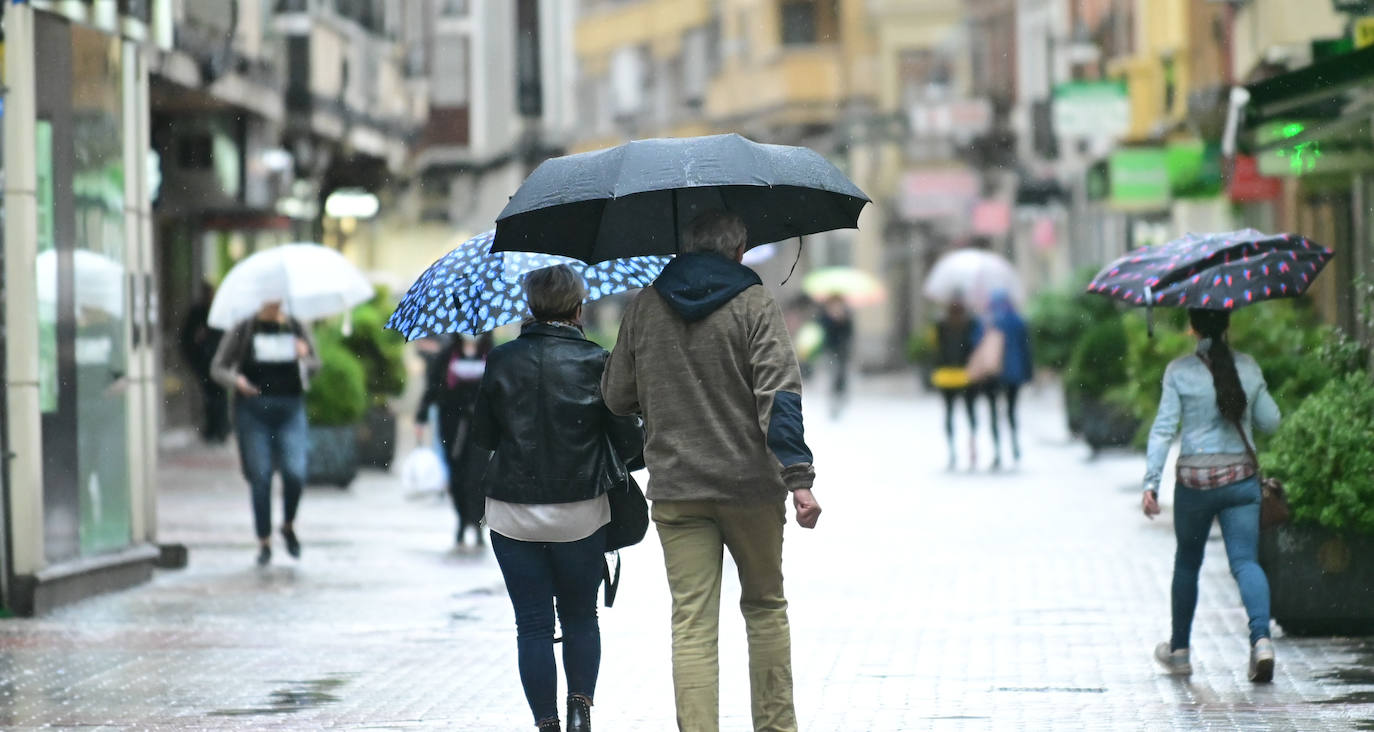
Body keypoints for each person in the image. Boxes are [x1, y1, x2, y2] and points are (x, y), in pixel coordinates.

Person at [602, 210, 820, 732]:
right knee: (765, 607)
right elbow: (779, 394)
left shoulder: (645, 306)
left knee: (692, 623)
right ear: (739, 249)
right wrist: (799, 477)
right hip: (750, 488)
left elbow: (614, 396)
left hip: (678, 491)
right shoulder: (754, 303)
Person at [473, 265, 643, 732]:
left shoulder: (501, 360)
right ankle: (580, 709)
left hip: (511, 515)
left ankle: (545, 722)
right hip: (581, 513)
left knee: (532, 625)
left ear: (531, 308)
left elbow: (484, 436)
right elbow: (628, 438)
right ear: (577, 307)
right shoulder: (596, 361)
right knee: (580, 616)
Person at [1142, 309, 1281, 683]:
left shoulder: (1179, 372)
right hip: (1240, 481)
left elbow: (1163, 429)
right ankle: (1261, 641)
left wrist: (1151, 483)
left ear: (1193, 326)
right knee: (1245, 563)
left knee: (1188, 563)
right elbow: (1272, 422)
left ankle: (1180, 651)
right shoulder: (1248, 367)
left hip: (1195, 485)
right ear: (1229, 323)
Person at [211, 300, 320, 566]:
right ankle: (264, 541)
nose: (275, 303)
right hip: (253, 410)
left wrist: (304, 355)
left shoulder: (296, 326)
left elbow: (316, 365)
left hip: (290, 409)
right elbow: (218, 367)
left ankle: (288, 525)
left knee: (295, 472)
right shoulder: (245, 326)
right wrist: (236, 381)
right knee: (260, 475)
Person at [416, 333, 494, 547]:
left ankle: (477, 521)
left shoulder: (492, 353)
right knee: (457, 472)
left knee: (477, 475)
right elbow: (433, 385)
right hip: (451, 422)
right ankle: (461, 518)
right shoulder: (448, 353)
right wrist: (421, 415)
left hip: (481, 424)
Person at [975, 291, 1032, 469]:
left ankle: (997, 451)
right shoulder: (1017, 321)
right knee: (1011, 412)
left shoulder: (986, 321)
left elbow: (977, 345)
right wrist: (1028, 373)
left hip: (992, 373)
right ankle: (1014, 445)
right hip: (1014, 373)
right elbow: (1026, 349)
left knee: (993, 413)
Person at [180, 283, 229, 443]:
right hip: (205, 361)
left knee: (219, 397)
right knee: (210, 397)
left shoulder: (219, 313)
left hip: (217, 361)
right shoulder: (199, 314)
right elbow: (187, 338)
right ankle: (213, 429)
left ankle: (220, 429)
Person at [934, 299, 979, 470]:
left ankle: (952, 450)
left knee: (949, 413)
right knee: (970, 412)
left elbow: (936, 348)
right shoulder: (971, 324)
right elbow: (974, 346)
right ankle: (972, 444)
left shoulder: (941, 325)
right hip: (965, 374)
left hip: (946, 375)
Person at [815, 294, 854, 419]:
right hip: (829, 352)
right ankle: (832, 402)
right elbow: (821, 332)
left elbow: (849, 334)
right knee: (833, 375)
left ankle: (841, 398)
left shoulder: (846, 317)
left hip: (842, 352)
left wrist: (842, 321)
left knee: (842, 376)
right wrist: (832, 321)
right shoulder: (824, 317)